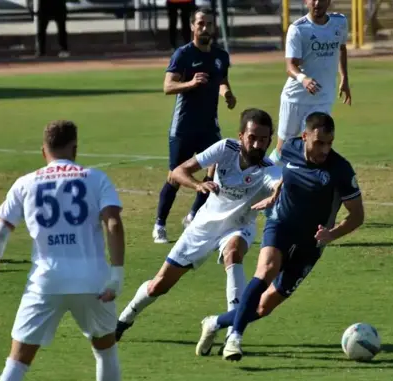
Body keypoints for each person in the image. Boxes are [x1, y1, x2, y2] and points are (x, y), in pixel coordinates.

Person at [0, 120, 131, 381]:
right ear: (75, 148)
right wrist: (117, 274)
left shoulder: (25, 183)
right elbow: (113, 223)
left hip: (45, 282)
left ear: (43, 151)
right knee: (105, 349)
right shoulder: (95, 178)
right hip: (93, 281)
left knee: (17, 360)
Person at [197, 112, 365, 361]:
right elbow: (269, 170)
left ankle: (214, 323)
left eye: (329, 143)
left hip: (311, 244)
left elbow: (357, 215)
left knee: (264, 306)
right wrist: (269, 194)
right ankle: (235, 338)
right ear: (305, 136)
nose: (325, 149)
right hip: (280, 225)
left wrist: (333, 233)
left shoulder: (340, 169)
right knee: (266, 270)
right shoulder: (289, 148)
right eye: (319, 143)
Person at [115, 109, 281, 348]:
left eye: (263, 139)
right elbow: (178, 172)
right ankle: (124, 319)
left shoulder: (268, 167)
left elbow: (279, 182)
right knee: (159, 284)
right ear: (241, 135)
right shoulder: (225, 149)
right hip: (204, 226)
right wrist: (198, 184)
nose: (257, 144)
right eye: (252, 137)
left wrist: (276, 193)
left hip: (238, 226)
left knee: (233, 253)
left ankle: (232, 334)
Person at [154, 7, 237, 244]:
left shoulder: (221, 56)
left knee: (217, 168)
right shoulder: (183, 54)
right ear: (192, 26)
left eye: (209, 24)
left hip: (209, 126)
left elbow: (222, 80)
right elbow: (168, 86)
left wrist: (227, 93)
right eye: (200, 23)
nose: (205, 28)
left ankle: (193, 215)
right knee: (175, 176)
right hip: (183, 127)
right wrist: (190, 83)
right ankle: (160, 224)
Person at [269, 0, 351, 165]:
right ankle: (264, 178)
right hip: (296, 99)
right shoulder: (298, 29)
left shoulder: (340, 22)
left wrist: (344, 78)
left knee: (317, 145)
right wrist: (303, 79)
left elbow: (341, 48)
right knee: (283, 149)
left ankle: (310, 185)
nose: (317, 3)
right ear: (306, 1)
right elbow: (290, 66)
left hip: (323, 98)